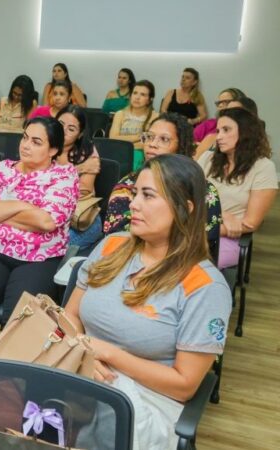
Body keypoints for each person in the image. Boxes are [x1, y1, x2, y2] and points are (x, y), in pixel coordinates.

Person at [65, 154, 231, 450]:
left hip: (146, 399)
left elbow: (184, 385)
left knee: (98, 421)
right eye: (135, 194)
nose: (134, 204)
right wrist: (82, 355)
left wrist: (108, 355)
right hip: (77, 368)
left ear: (184, 208)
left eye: (148, 195)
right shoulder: (113, 245)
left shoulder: (205, 286)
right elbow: (70, 316)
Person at [0, 117, 78, 356]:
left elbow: (46, 221)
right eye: (25, 137)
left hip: (38, 260)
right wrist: (22, 206)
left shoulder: (64, 176)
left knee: (18, 324)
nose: (25, 145)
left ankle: (3, 375)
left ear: (54, 150)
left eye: (36, 141)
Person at [104, 112, 222, 250]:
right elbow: (116, 235)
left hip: (183, 263)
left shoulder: (204, 190)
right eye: (149, 137)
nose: (152, 144)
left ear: (181, 146)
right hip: (129, 258)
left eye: (164, 139)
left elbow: (203, 241)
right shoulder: (128, 185)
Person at [197, 107, 277, 268]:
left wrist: (210, 229)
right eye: (218, 131)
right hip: (194, 228)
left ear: (246, 132)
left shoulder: (263, 167)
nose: (219, 137)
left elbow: (250, 223)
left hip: (225, 239)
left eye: (226, 130)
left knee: (187, 263)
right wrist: (223, 214)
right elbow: (188, 195)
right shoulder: (208, 158)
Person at [57, 106, 103, 250]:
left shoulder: (87, 152)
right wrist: (78, 169)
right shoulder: (41, 146)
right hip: (47, 214)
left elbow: (83, 191)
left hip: (79, 220)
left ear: (80, 134)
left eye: (71, 129)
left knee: (49, 246)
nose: (62, 132)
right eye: (60, 125)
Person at [109, 80, 159, 170]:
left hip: (140, 154)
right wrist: (139, 136)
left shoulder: (155, 117)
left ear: (150, 99)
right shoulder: (120, 114)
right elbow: (113, 138)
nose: (137, 97)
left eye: (143, 95)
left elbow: (146, 144)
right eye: (135, 93)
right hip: (118, 152)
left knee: (137, 156)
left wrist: (124, 144)